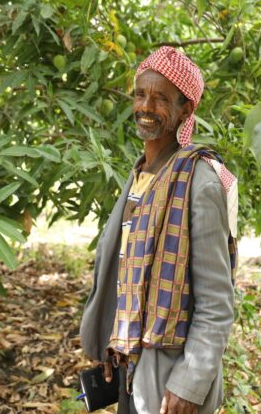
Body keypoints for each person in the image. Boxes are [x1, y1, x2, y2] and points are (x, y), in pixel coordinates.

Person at [80, 46, 238, 414]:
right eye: (140, 94)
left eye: (161, 98)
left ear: (185, 109)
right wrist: (110, 340)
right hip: (130, 369)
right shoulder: (141, 173)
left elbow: (217, 302)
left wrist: (190, 382)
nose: (146, 107)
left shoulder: (200, 184)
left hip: (167, 384)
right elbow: (122, 270)